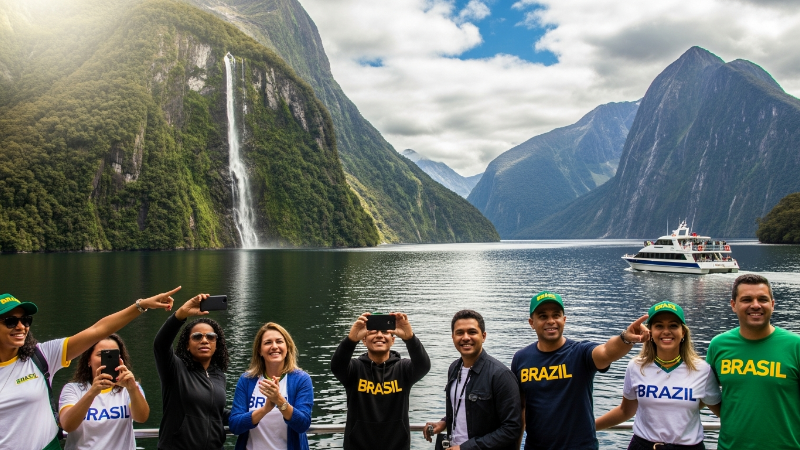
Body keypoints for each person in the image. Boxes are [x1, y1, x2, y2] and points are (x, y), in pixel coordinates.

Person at [0, 288, 176, 450]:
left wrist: (141, 305)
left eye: (25, 320)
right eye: (10, 321)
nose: (21, 327)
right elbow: (68, 424)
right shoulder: (73, 388)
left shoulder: (42, 356)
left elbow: (99, 330)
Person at [511, 290, 649, 450]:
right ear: (531, 322)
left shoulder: (580, 353)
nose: (551, 321)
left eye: (556, 315)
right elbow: (520, 408)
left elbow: (606, 352)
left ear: (564, 320)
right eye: (543, 316)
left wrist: (625, 338)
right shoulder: (521, 358)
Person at [595, 301, 721, 449]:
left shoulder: (702, 370)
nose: (666, 331)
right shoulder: (636, 367)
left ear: (683, 332)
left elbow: (724, 413)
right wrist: (589, 427)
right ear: (650, 333)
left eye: (673, 325)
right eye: (659, 326)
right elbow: (625, 410)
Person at [706, 274, 800, 449]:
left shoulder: (796, 346)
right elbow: (706, 394)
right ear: (733, 305)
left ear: (772, 304)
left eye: (762, 299)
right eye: (747, 299)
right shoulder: (718, 346)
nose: (755, 305)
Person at [330, 312, 431, 450]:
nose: (379, 335)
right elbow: (337, 366)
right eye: (372, 332)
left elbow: (423, 366)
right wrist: (351, 340)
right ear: (364, 340)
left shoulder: (403, 369)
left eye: (384, 331)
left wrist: (410, 338)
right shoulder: (354, 369)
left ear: (393, 340)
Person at [423, 310, 521, 450]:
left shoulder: (501, 375)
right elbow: (464, 408)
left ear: (483, 336)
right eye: (459, 333)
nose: (465, 337)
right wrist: (445, 422)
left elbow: (512, 429)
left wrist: (466, 448)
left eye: (472, 332)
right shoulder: (453, 369)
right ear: (453, 337)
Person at [154, 293, 230, 450]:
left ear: (217, 344)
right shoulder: (175, 369)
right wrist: (182, 313)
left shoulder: (219, 375)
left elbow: (214, 412)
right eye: (197, 336)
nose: (204, 340)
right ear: (187, 344)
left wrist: (253, 414)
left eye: (210, 336)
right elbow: (161, 344)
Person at [230, 322, 314, 450]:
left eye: (279, 341)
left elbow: (303, 424)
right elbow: (235, 426)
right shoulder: (247, 380)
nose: (274, 346)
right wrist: (265, 409)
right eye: (268, 342)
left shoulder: (301, 379)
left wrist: (279, 401)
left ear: (287, 347)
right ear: (259, 350)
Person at [59, 334, 148, 450]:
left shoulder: (130, 388)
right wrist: (93, 392)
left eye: (113, 355)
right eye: (101, 355)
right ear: (88, 360)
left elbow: (141, 418)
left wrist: (132, 388)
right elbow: (68, 425)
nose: (106, 361)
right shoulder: (72, 389)